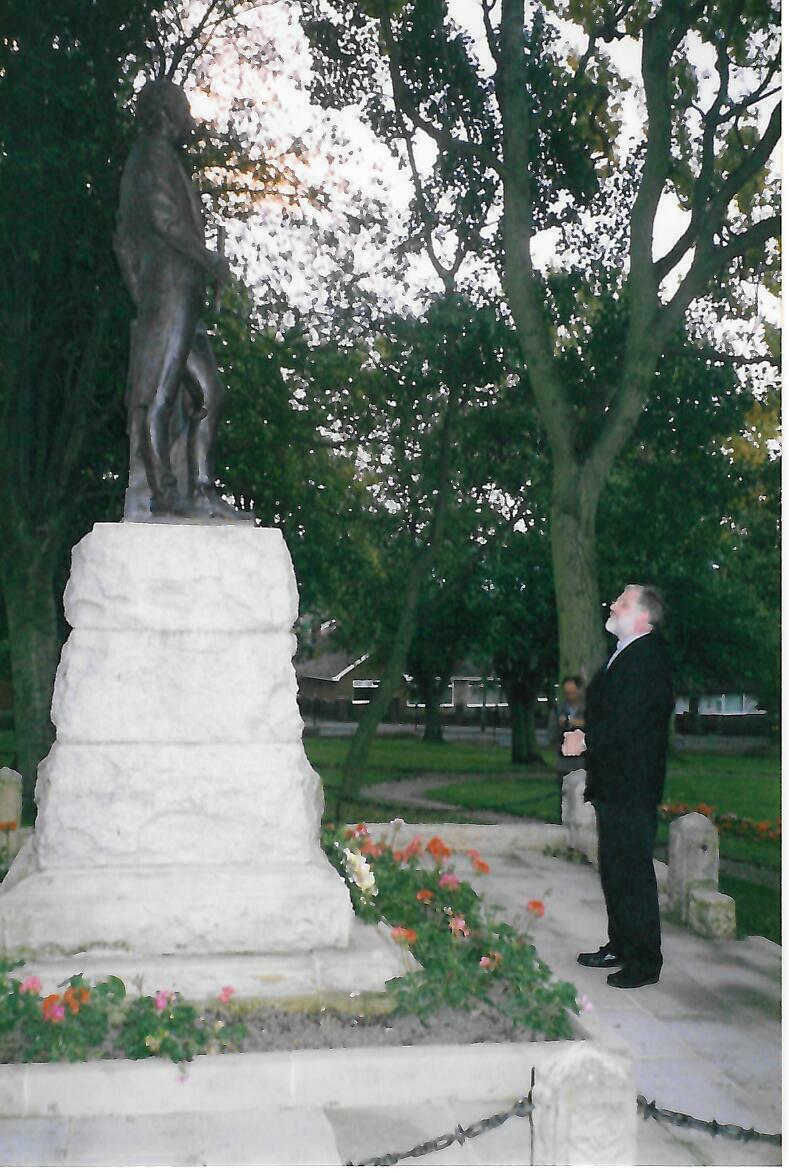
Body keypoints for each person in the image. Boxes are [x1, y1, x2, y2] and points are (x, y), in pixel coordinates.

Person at [114, 79, 244, 520]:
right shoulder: (150, 156)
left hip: (182, 292)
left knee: (209, 393)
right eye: (184, 109)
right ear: (167, 111)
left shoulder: (164, 157)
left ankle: (202, 490)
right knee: (160, 392)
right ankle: (164, 494)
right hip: (167, 289)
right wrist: (210, 260)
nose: (190, 118)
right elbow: (164, 221)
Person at [562, 584, 673, 989]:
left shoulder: (648, 658)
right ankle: (622, 944)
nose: (612, 605)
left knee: (632, 871)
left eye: (622, 603)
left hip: (633, 786)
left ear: (643, 616)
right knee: (614, 868)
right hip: (616, 783)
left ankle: (644, 961)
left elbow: (631, 722)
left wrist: (586, 740)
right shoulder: (626, 653)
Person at [548, 675, 585, 820]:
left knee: (583, 800)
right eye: (567, 693)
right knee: (564, 801)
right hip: (564, 763)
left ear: (579, 690)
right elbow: (551, 735)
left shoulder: (589, 710)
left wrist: (580, 724)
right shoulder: (558, 710)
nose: (570, 696)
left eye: (573, 692)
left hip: (584, 762)